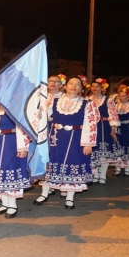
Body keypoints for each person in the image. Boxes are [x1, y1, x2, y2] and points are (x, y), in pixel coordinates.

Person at [33, 76, 99, 210]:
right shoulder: (54, 101)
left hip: (75, 138)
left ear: (81, 88)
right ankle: (44, 193)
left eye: (77, 84)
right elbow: (43, 118)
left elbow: (90, 124)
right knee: (50, 164)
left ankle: (69, 197)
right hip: (56, 137)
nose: (74, 86)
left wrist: (88, 143)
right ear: (65, 86)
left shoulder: (87, 104)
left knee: (73, 164)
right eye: (71, 83)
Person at [0, 106, 30, 219]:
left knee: (8, 171)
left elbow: (21, 125)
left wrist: (22, 147)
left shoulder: (12, 103)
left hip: (10, 141)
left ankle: (12, 205)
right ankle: (4, 203)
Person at [88, 78, 121, 184]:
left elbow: (113, 114)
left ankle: (102, 175)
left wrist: (113, 130)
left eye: (97, 86)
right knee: (94, 152)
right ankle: (96, 175)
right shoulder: (87, 99)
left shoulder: (108, 100)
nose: (94, 88)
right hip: (91, 127)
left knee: (104, 153)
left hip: (104, 126)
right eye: (93, 86)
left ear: (102, 88)